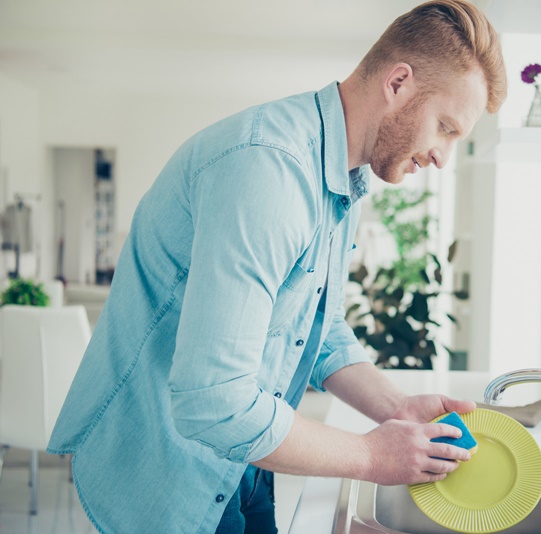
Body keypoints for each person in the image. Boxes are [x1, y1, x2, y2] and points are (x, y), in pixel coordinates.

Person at [47, 1, 507, 532]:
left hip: (241, 460)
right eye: (446, 127)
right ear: (398, 83)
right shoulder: (269, 168)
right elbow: (213, 401)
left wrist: (396, 408)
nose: (443, 158)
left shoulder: (340, 174)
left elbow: (318, 325)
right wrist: (372, 457)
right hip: (167, 468)